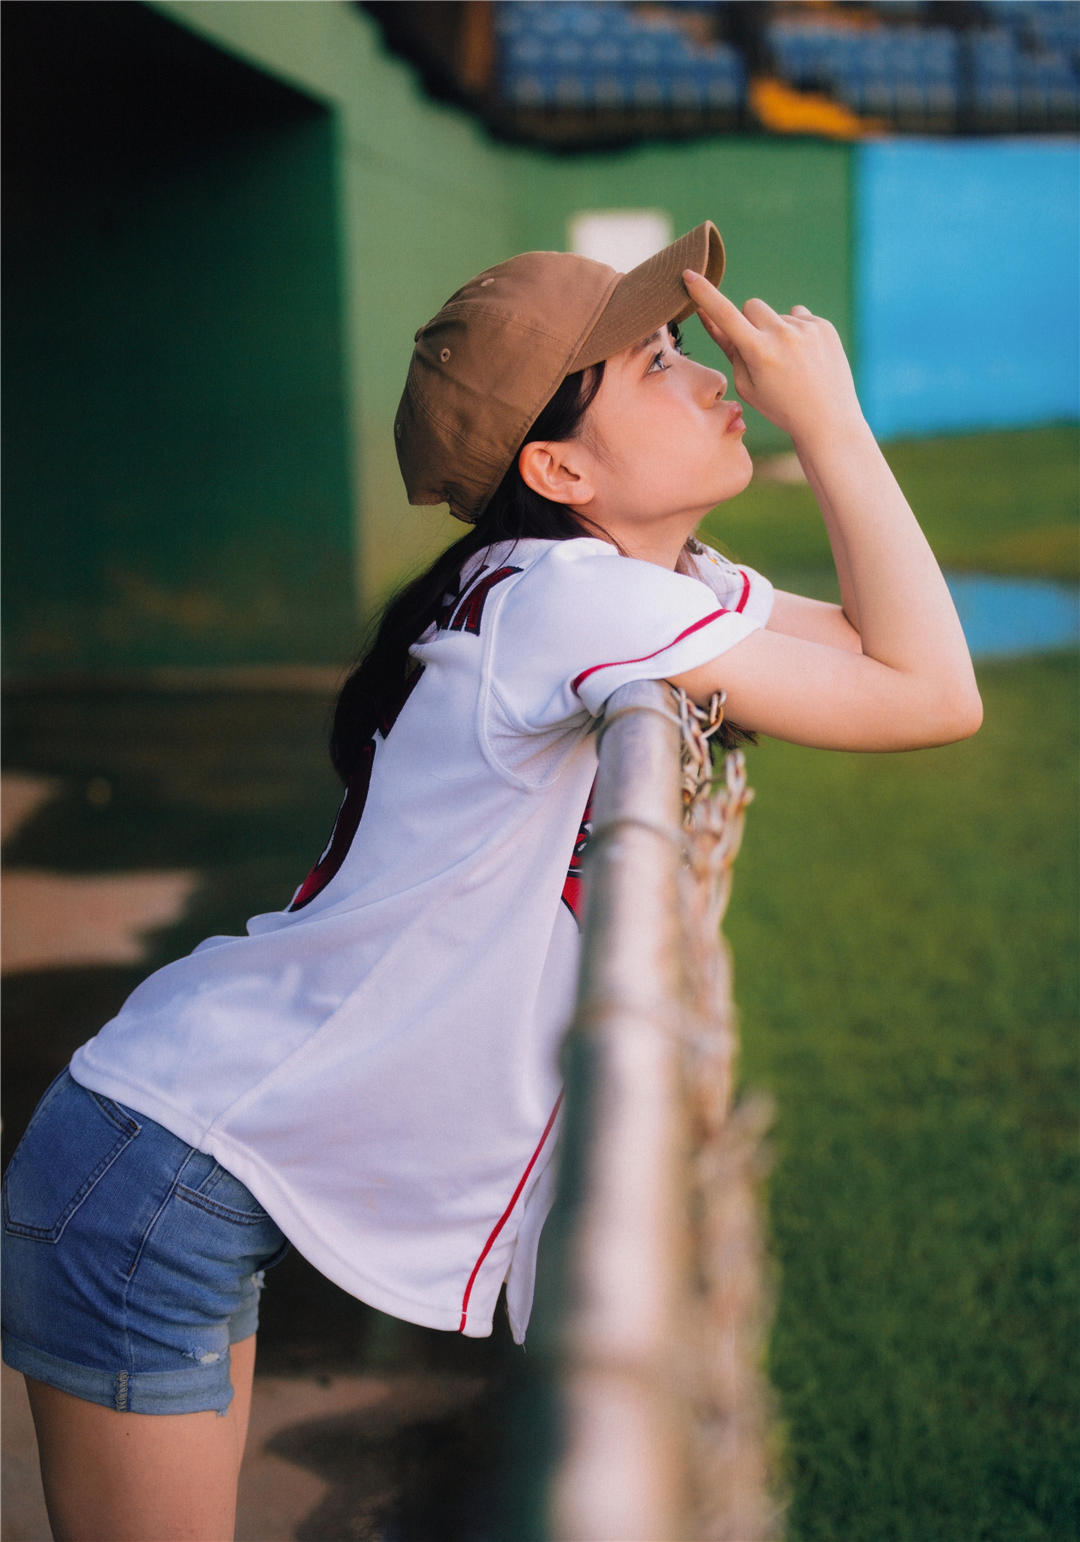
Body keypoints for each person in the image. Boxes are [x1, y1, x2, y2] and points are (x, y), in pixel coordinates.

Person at [1, 221, 981, 1542]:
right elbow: (931, 694)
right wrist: (833, 424)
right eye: (655, 363)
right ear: (559, 467)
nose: (709, 374)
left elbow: (892, 651)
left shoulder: (619, 581)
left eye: (679, 347)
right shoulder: (575, 599)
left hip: (169, 1155)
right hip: (154, 1170)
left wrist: (820, 427)